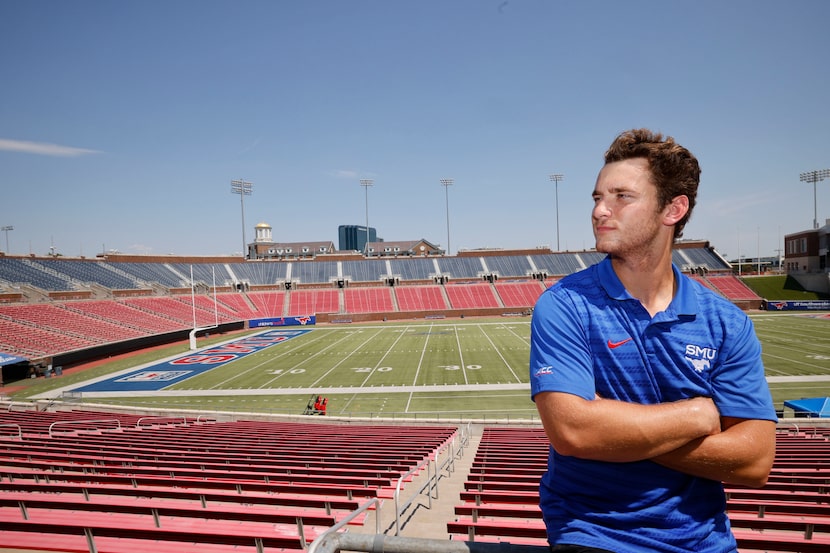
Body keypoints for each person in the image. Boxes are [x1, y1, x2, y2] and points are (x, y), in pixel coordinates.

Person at [529, 128, 777, 553]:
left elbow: (754, 461)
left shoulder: (726, 323)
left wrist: (618, 432)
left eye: (622, 196)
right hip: (595, 534)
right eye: (596, 197)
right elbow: (572, 431)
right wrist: (696, 417)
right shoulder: (564, 304)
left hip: (704, 540)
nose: (600, 210)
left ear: (673, 209)